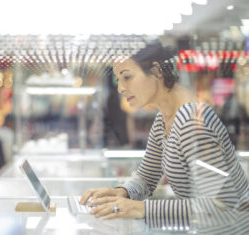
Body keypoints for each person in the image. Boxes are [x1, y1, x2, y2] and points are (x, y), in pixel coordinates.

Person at [80, 42, 249, 230]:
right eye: (118, 79)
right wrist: (121, 193)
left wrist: (141, 208)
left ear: (156, 70)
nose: (120, 88)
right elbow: (147, 176)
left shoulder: (190, 121)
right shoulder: (165, 117)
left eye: (127, 77)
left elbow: (221, 206)